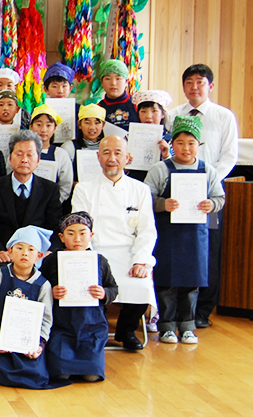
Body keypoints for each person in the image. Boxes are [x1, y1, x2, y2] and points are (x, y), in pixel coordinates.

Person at [165, 64, 238, 329]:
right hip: (175, 193)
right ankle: (172, 311)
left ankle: (202, 311)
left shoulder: (223, 116)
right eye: (189, 82)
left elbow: (229, 156)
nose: (194, 87)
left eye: (200, 82)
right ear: (183, 86)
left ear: (210, 86)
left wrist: (206, 181)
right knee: (176, 248)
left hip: (208, 195)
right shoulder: (172, 115)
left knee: (207, 249)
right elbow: (167, 149)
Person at [71, 135, 157, 351]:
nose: (112, 159)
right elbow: (80, 230)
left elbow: (147, 230)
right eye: (106, 153)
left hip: (129, 253)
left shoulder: (140, 190)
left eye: (118, 153)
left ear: (127, 158)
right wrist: (88, 259)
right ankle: (96, 331)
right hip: (95, 252)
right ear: (98, 157)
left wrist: (141, 261)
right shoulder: (84, 189)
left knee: (142, 285)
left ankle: (126, 331)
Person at [144, 115, 224, 344]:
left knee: (192, 283)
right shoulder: (160, 169)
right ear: (172, 145)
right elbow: (145, 198)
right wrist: (163, 204)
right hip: (167, 236)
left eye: (191, 143)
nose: (186, 148)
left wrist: (212, 205)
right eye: (180, 143)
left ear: (199, 145)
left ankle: (188, 326)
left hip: (196, 237)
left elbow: (220, 198)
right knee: (166, 282)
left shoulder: (208, 170)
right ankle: (167, 326)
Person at [0, 226, 68, 389]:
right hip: (2, 343)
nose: (25, 253)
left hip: (28, 345)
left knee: (36, 375)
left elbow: (46, 320)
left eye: (31, 249)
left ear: (39, 255)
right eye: (19, 248)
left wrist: (39, 345)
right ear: (10, 251)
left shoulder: (43, 285)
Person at [39, 212, 118, 382]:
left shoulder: (99, 260)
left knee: (91, 376)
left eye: (82, 233)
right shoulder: (52, 260)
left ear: (91, 236)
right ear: (61, 237)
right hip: (61, 326)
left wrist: (104, 293)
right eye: (71, 233)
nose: (77, 239)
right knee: (61, 375)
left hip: (91, 326)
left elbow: (113, 288)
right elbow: (38, 286)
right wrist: (51, 292)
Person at [0, 130, 61, 277]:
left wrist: (48, 252)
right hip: (5, 255)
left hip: (38, 255)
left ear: (38, 161)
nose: (24, 160)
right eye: (19, 154)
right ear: (10, 158)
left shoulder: (50, 190)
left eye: (30, 155)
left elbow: (54, 227)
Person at [29, 104, 73, 203]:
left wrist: (53, 203)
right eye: (38, 125)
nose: (43, 129)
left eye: (48, 125)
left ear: (55, 128)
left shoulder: (61, 154)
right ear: (31, 126)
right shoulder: (24, 152)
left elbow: (65, 186)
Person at [127, 90, 173, 183]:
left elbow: (176, 171)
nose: (148, 116)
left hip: (160, 186)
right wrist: (125, 165)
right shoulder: (128, 139)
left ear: (163, 114)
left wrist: (167, 156)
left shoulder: (171, 140)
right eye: (143, 111)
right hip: (135, 184)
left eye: (154, 111)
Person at [61, 104, 106, 175]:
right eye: (87, 123)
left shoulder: (109, 148)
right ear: (79, 124)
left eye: (97, 123)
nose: (92, 127)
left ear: (103, 125)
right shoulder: (69, 147)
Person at [96, 59, 138, 131]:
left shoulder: (136, 105)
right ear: (102, 82)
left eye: (118, 79)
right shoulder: (97, 108)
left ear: (126, 82)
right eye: (108, 79)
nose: (113, 83)